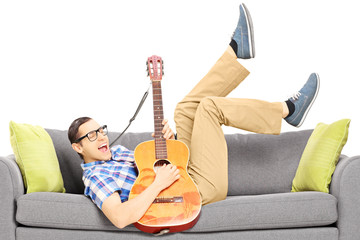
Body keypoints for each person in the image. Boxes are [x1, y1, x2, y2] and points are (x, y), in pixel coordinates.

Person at [68, 3, 320, 229]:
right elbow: (121, 217)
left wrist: (170, 139)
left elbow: (161, 165)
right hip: (193, 192)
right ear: (77, 147)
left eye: (101, 130)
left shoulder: (119, 152)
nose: (101, 136)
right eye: (91, 136)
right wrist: (158, 183)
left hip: (186, 173)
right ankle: (287, 110)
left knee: (185, 108)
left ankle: (235, 50)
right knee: (210, 107)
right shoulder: (96, 177)